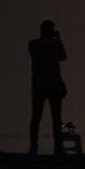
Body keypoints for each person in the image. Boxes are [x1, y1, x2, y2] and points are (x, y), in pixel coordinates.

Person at [27, 20, 68, 154]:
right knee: (56, 117)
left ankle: (33, 145)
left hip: (39, 84)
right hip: (53, 85)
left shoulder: (33, 45)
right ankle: (58, 146)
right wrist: (58, 40)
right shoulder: (54, 45)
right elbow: (63, 56)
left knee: (36, 117)